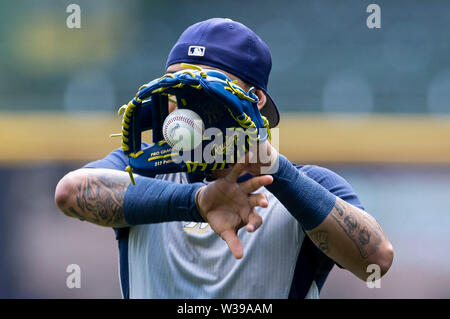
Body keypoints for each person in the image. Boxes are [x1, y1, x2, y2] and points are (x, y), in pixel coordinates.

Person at [54, 18, 393, 299]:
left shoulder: (304, 186)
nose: (184, 101)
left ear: (255, 99)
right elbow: (69, 193)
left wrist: (278, 171)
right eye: (177, 88)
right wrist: (195, 201)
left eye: (203, 87)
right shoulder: (143, 169)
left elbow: (376, 260)